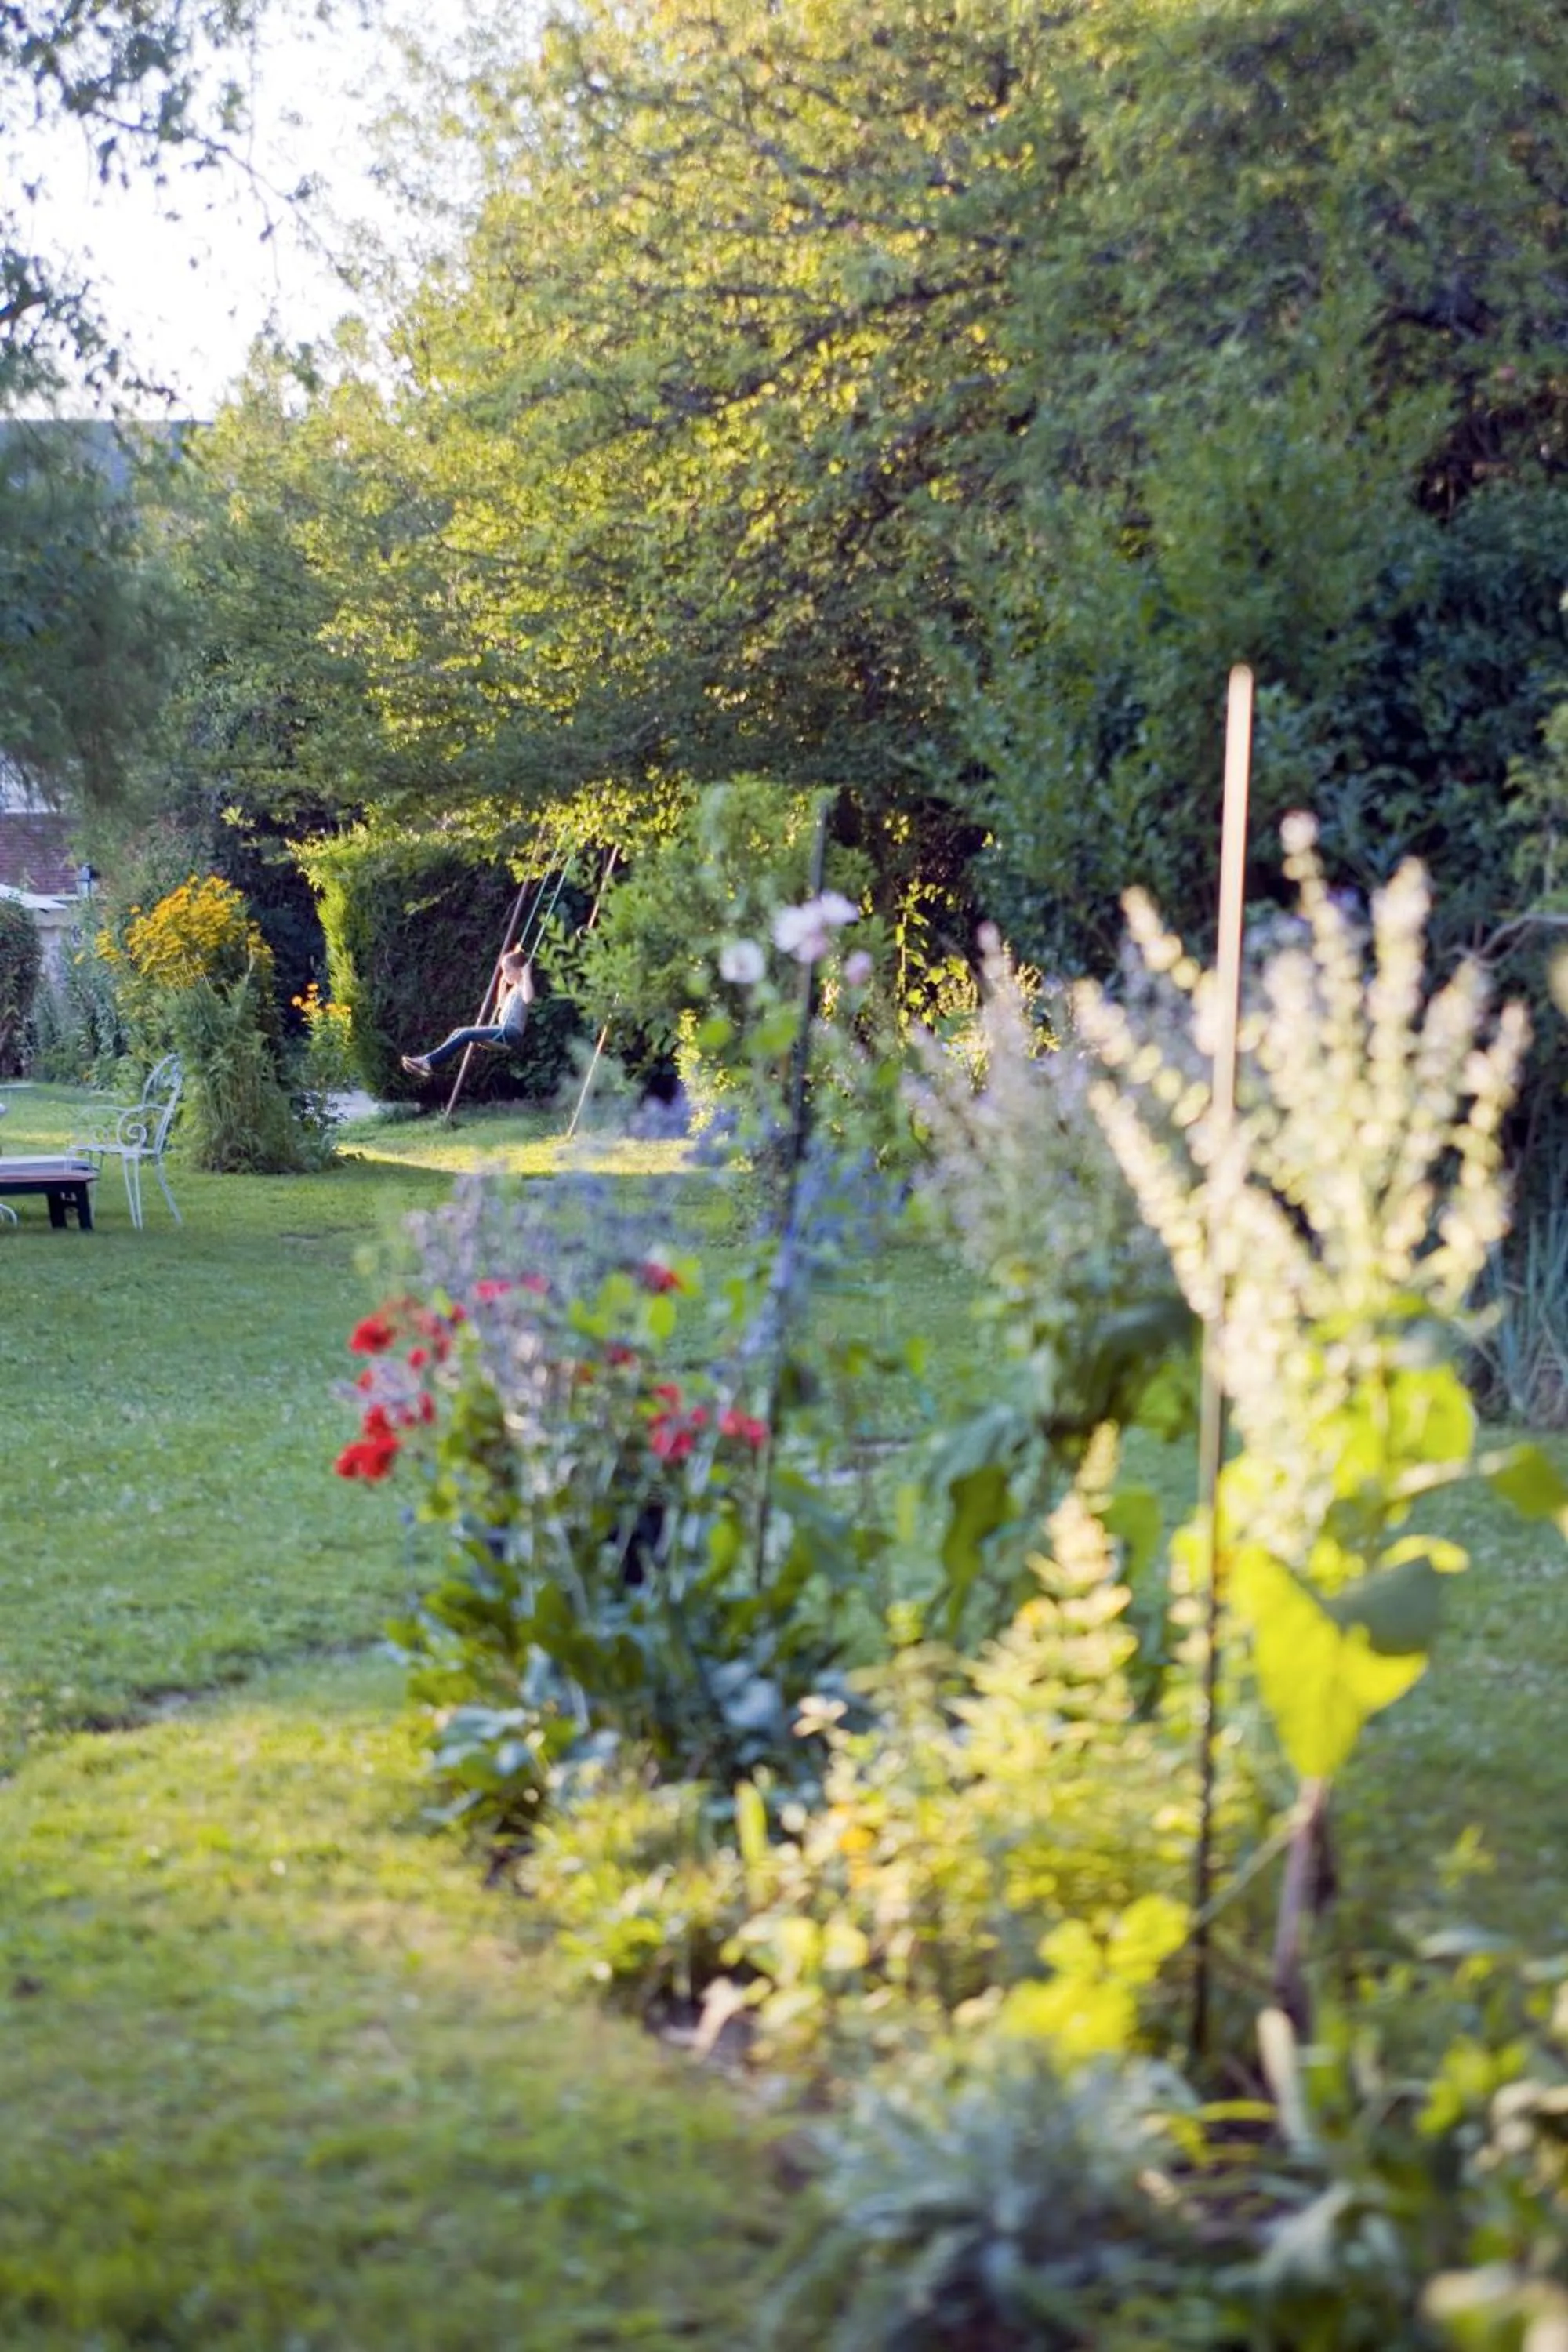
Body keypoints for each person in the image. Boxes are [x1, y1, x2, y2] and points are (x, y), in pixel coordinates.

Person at [401, 949, 535, 1076]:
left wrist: (526, 974)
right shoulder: (515, 988)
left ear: (520, 970)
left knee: (466, 1034)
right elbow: (501, 1005)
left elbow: (529, 999)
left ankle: (428, 1062)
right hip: (503, 1030)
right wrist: (502, 985)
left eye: (508, 971)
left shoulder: (524, 985)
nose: (505, 974)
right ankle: (428, 1061)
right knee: (459, 1031)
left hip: (510, 1032)